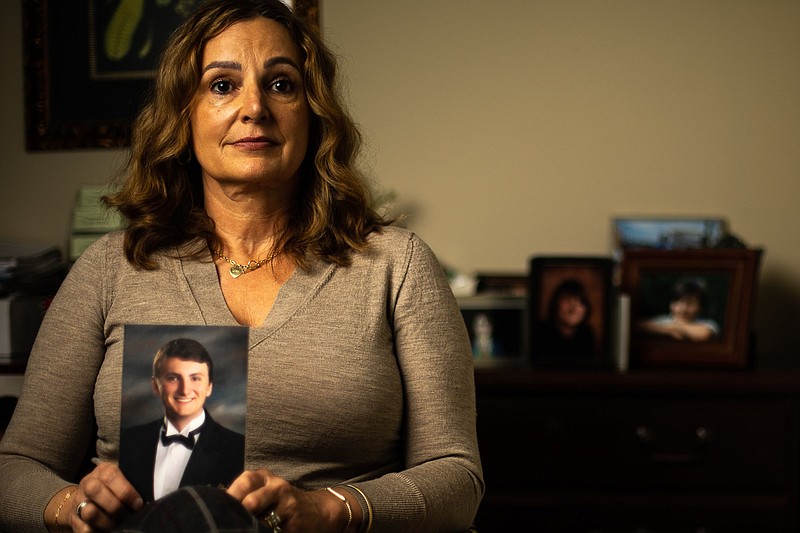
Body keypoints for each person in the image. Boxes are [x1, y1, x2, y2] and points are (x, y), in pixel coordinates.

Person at [0, 1, 484, 532]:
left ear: (313, 112)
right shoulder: (109, 269)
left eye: (281, 84)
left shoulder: (396, 265)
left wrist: (329, 508)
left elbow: (457, 478)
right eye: (222, 85)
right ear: (184, 113)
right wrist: (74, 505)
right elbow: (15, 469)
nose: (254, 107)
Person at [119, 338, 245, 502]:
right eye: (173, 378)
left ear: (209, 387)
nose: (185, 390)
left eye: (195, 378)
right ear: (156, 386)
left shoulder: (237, 449)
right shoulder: (128, 441)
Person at [638, 278, 720, 342]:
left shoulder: (708, 323)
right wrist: (676, 331)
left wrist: (672, 329)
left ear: (701, 307)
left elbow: (704, 334)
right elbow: (639, 325)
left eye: (690, 303)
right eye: (677, 302)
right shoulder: (661, 320)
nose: (682, 309)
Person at [534, 279, 596, 359]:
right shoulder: (540, 332)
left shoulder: (587, 334)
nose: (573, 309)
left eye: (580, 302)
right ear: (555, 304)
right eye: (567, 301)